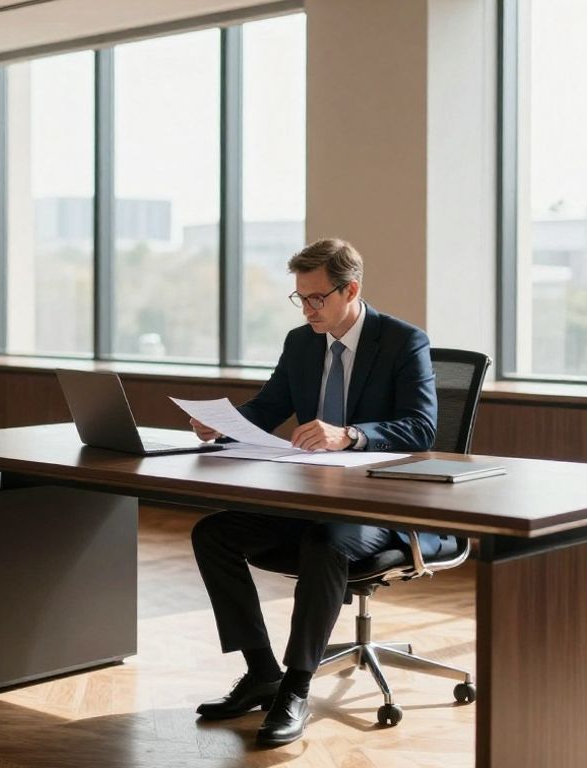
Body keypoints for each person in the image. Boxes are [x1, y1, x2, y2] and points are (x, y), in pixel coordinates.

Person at [189, 238, 452, 747]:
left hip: (383, 505)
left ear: (350, 289)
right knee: (214, 534)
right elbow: (269, 407)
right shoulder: (301, 342)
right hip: (313, 496)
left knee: (327, 543)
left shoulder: (403, 341)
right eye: (300, 298)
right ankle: (262, 671)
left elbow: (422, 429)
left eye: (317, 298)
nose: (308, 309)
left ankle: (297, 685)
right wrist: (221, 424)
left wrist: (350, 434)